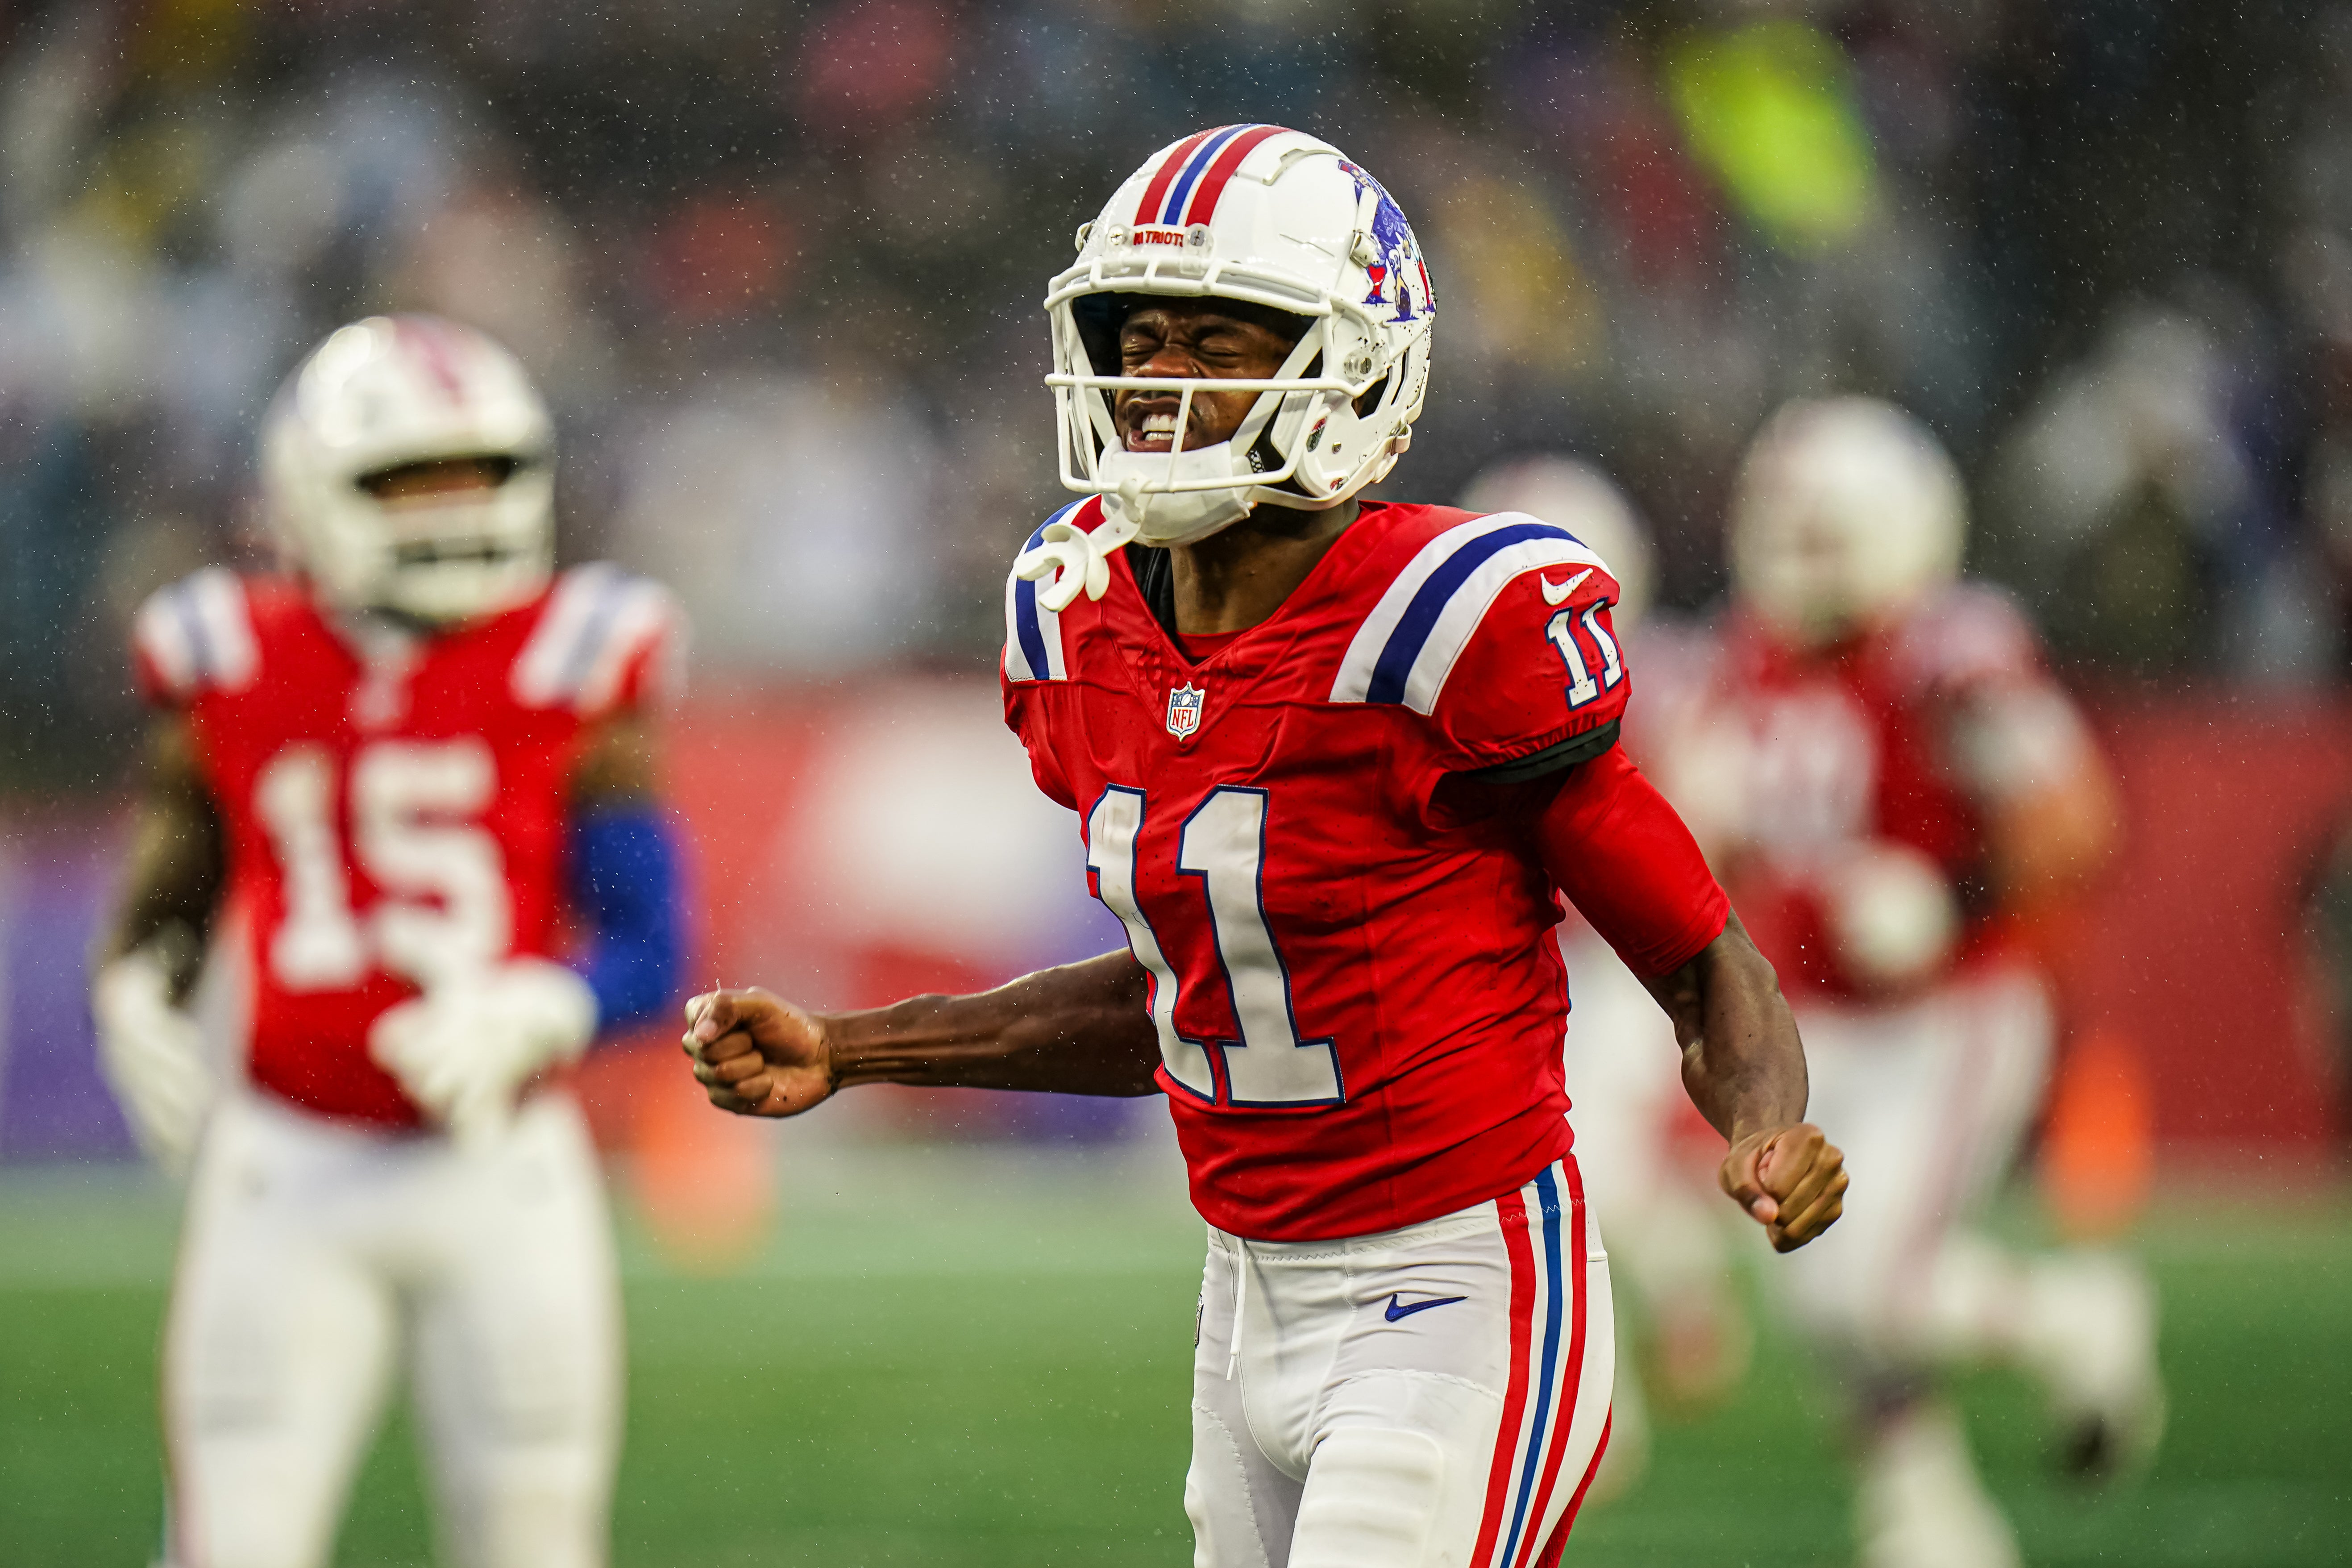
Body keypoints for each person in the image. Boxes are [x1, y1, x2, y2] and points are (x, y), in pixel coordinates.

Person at [686, 126, 1845, 1568]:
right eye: (1140, 337)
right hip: (1246, 1296)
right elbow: (1182, 1000)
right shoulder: (1077, 617)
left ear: (1354, 366)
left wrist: (1764, 1124)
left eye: (1218, 341)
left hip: (1458, 1284)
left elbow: (1700, 958)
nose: (1160, 383)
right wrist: (857, 1047)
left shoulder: (1450, 626)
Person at [91, 314, 683, 1568]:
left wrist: (541, 1006)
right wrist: (136, 986)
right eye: (408, 481)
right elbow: (171, 896)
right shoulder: (226, 651)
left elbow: (650, 942)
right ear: (314, 491)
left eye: (481, 475)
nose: (450, 511)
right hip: (289, 1165)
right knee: (231, 1543)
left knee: (535, 1542)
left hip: (502, 1162)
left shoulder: (578, 651)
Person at [1657, 396, 2164, 1568]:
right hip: (1819, 1019)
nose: (1795, 558)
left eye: (1824, 533)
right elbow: (1705, 840)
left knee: (1873, 1284)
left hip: (1952, 1016)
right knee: (1806, 1269)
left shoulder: (1948, 650)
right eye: (1782, 527)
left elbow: (2074, 822)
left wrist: (1952, 892)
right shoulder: (1743, 659)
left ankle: (2071, 1319)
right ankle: (1926, 1516)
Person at [1454, 455, 1753, 1504]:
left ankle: (1606, 1382)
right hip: (1525, 954)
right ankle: (1666, 1311)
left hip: (1601, 956)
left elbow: (1706, 820)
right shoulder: (1650, 669)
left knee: (1565, 1162)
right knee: (1559, 1167)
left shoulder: (1660, 677)